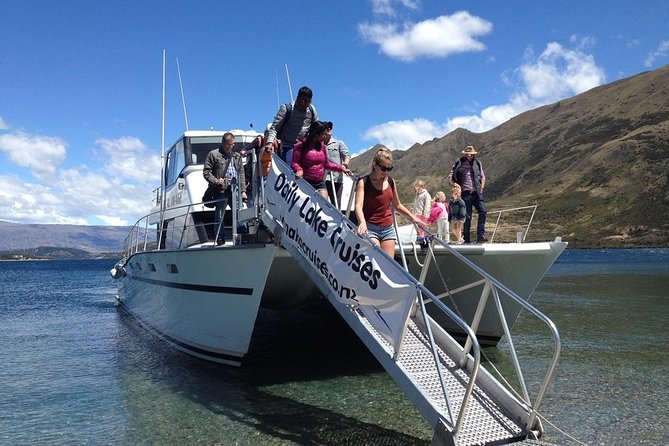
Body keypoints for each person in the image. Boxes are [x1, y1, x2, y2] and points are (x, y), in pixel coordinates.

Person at [354, 146, 422, 258]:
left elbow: (397, 205)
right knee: (376, 259)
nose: (386, 172)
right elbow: (358, 206)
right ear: (375, 165)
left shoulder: (391, 182)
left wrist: (413, 218)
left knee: (388, 264)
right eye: (383, 168)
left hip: (388, 229)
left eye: (389, 168)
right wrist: (362, 222)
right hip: (370, 228)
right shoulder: (364, 182)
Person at [203, 132, 247, 245]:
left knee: (239, 213)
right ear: (223, 143)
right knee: (219, 215)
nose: (230, 147)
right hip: (221, 190)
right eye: (228, 144)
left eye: (232, 144)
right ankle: (220, 239)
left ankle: (241, 238)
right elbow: (206, 172)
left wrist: (243, 190)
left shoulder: (236, 156)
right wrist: (216, 181)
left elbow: (241, 173)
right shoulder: (213, 154)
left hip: (235, 189)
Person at [291, 121, 350, 199]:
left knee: (323, 203)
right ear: (316, 134)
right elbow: (295, 162)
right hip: (305, 181)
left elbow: (326, 164)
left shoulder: (322, 147)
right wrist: (299, 169)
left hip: (319, 182)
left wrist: (341, 168)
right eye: (324, 134)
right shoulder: (301, 145)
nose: (326, 136)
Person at [265, 86, 318, 164]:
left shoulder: (311, 109)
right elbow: (275, 128)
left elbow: (317, 127)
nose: (306, 103)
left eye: (308, 101)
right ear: (298, 98)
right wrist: (269, 142)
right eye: (304, 100)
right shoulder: (287, 108)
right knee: (292, 171)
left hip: (305, 147)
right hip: (288, 146)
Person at [449, 145, 487, 243]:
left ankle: (481, 235)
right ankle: (466, 239)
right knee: (467, 216)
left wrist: (482, 187)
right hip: (465, 193)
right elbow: (450, 176)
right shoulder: (459, 163)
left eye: (471, 154)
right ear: (465, 154)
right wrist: (456, 184)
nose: (469, 156)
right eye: (467, 154)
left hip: (477, 192)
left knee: (483, 211)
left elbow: (482, 176)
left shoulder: (477, 163)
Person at [323, 121, 350, 208]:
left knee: (336, 205)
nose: (329, 130)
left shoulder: (339, 143)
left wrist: (345, 164)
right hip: (322, 179)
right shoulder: (319, 144)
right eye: (327, 128)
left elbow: (346, 155)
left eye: (330, 128)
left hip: (336, 179)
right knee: (322, 203)